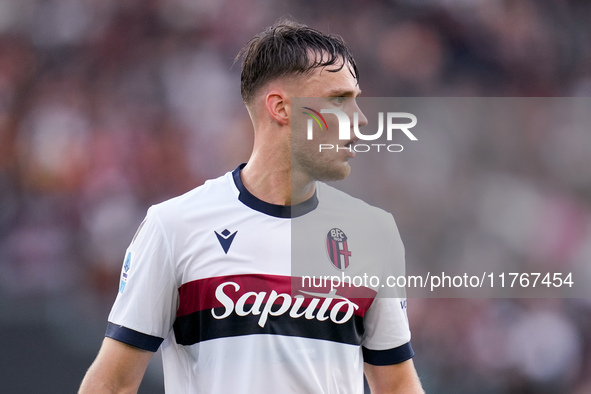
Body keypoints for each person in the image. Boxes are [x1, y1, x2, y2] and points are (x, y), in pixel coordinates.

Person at [79, 19, 424, 393]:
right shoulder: (174, 227)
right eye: (339, 101)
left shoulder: (374, 233)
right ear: (280, 108)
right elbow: (111, 385)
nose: (360, 122)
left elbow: (397, 386)